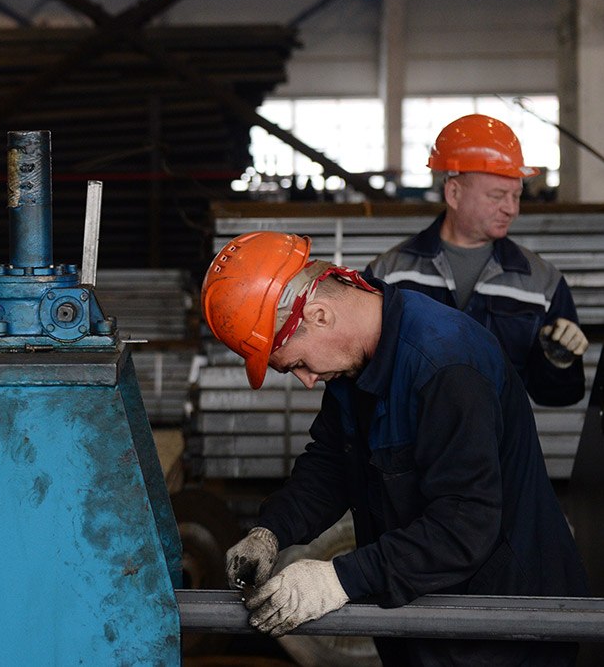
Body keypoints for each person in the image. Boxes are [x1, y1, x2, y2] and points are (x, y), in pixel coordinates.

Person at [203, 230, 587, 667]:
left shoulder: (446, 367)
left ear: (320, 315)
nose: (307, 380)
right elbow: (332, 464)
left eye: (298, 364)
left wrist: (338, 580)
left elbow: (465, 526)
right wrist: (270, 532)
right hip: (424, 613)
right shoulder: (357, 363)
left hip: (501, 625)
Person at [366, 114, 588, 407]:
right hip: (411, 451)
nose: (511, 209)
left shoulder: (542, 283)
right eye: (498, 196)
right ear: (454, 194)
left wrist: (560, 360)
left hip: (499, 450)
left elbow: (560, 396)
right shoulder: (389, 276)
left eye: (517, 196)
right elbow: (362, 379)